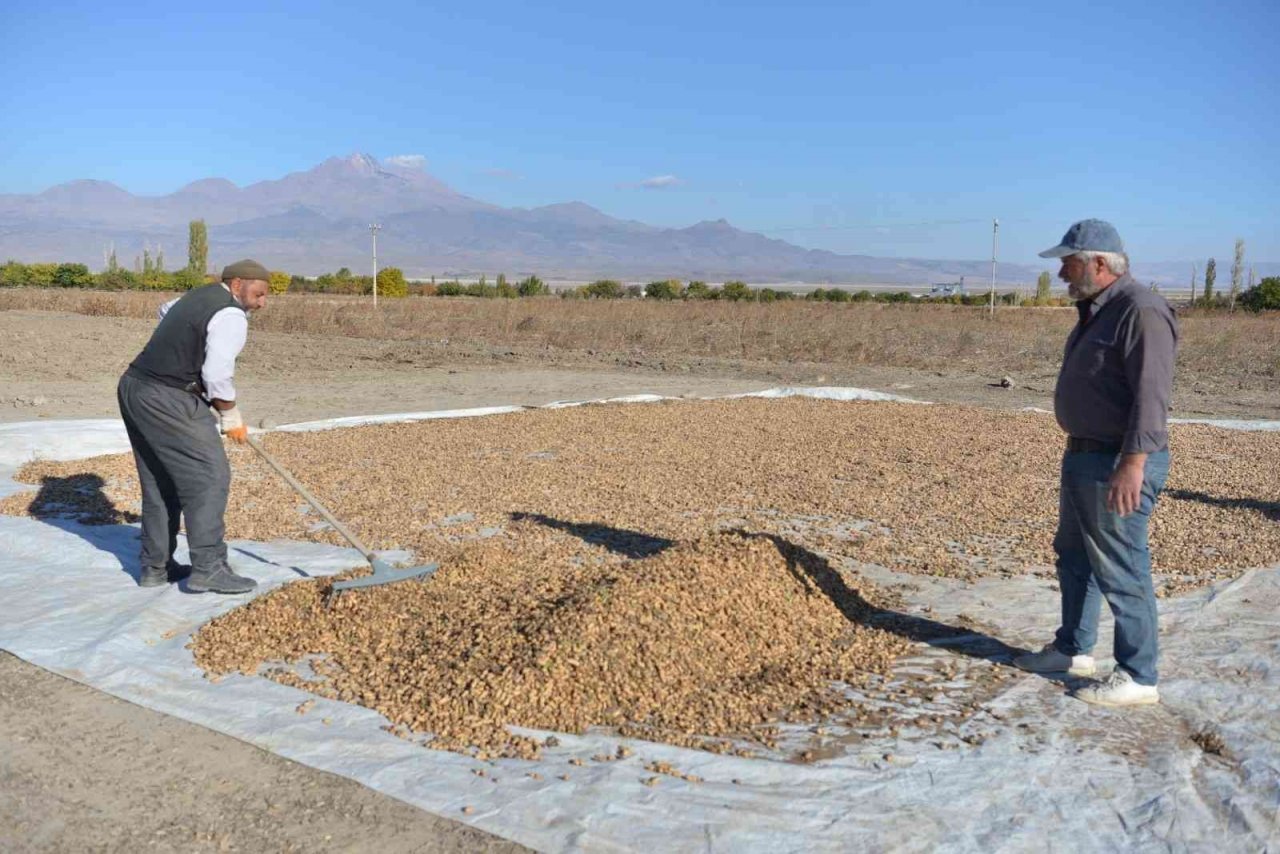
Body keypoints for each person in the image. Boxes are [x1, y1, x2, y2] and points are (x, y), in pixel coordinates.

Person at [1013, 219, 1178, 706]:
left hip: (1117, 461)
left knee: (1122, 566)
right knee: (1075, 557)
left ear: (1099, 264)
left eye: (1069, 262)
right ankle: (1073, 649)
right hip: (1085, 455)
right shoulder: (1096, 311)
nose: (1062, 272)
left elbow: (1152, 396)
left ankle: (1139, 675)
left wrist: (1133, 464)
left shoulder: (1140, 310)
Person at [116, 259, 270, 593]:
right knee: (210, 476)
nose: (261, 303)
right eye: (258, 294)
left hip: (134, 387)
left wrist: (184, 351)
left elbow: (164, 309)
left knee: (160, 480)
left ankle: (155, 567)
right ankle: (209, 568)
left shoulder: (197, 296)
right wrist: (230, 415)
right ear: (238, 283)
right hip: (168, 397)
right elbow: (216, 375)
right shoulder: (231, 314)